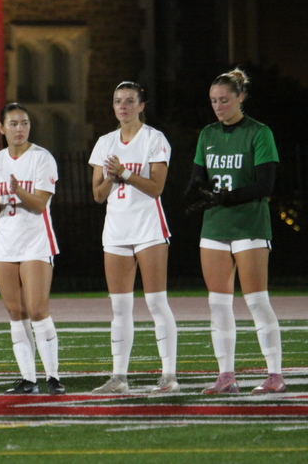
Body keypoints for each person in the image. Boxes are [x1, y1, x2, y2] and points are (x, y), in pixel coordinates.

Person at [185, 68, 285, 394]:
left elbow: (265, 184)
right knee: (218, 304)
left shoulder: (259, 132)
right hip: (215, 226)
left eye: (225, 100)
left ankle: (274, 375)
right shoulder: (207, 134)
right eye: (214, 101)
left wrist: (226, 197)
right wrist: (194, 195)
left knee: (256, 300)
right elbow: (197, 178)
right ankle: (226, 376)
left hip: (249, 224)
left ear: (241, 97)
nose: (218, 106)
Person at [88, 82, 179, 395]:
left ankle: (169, 377)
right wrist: (112, 177)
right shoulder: (104, 143)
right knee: (120, 307)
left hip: (149, 229)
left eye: (129, 101)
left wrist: (124, 172)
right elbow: (98, 195)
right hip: (116, 231)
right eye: (117, 101)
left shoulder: (154, 139)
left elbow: (156, 188)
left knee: (155, 301)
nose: (122, 106)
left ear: (142, 105)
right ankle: (119, 378)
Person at [0, 103, 65, 396]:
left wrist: (17, 190)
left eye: (24, 123)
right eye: (13, 124)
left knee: (38, 309)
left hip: (36, 241)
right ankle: (28, 379)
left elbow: (40, 204)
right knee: (16, 312)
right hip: (4, 242)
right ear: (1, 128)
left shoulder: (42, 158)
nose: (19, 129)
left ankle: (53, 377)